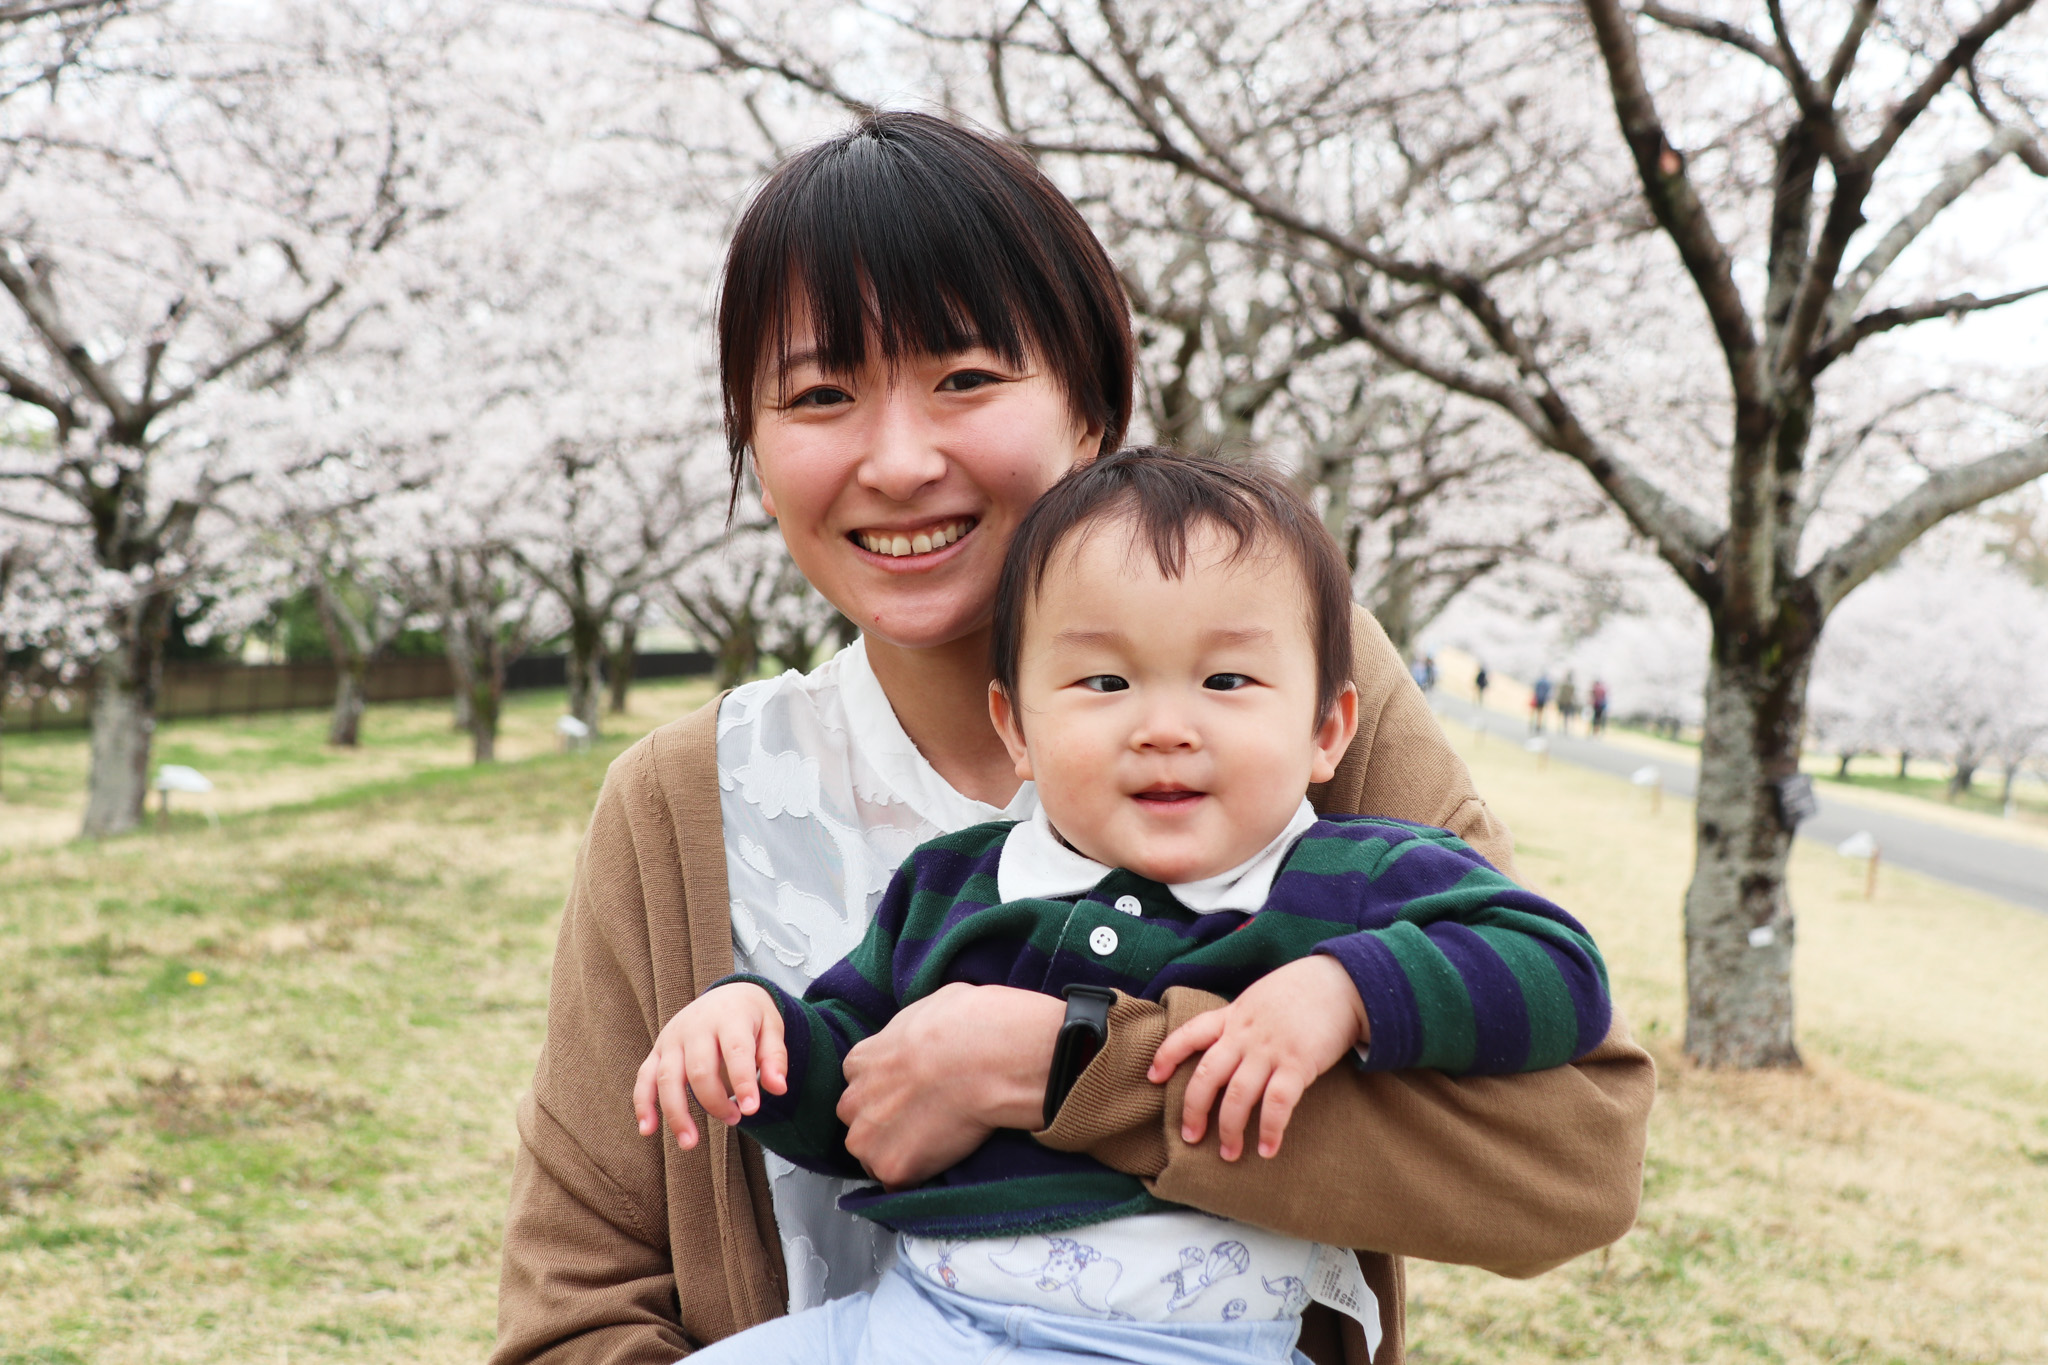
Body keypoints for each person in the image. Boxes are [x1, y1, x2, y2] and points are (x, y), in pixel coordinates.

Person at [490, 111, 1654, 1365]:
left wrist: (1068, 1073)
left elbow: (1570, 1161)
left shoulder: (1276, 700)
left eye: (965, 378)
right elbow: (577, 1308)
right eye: (819, 395)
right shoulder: (683, 800)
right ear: (756, 454)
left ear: (1091, 410)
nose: (895, 459)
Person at [638, 450, 1616, 1365]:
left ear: (1326, 730)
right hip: (920, 1322)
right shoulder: (955, 884)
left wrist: (1343, 991)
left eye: (1225, 680)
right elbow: (853, 1091)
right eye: (1102, 682)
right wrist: (755, 1033)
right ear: (1015, 726)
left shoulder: (1347, 879)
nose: (1162, 728)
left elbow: (1555, 968)